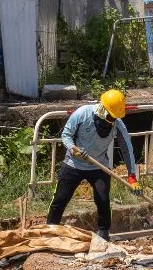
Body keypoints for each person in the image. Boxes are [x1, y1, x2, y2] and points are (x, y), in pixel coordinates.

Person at [45, 89, 139, 240]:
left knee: (103, 200)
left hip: (98, 166)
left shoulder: (117, 124)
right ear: (102, 108)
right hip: (73, 164)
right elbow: (66, 135)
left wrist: (132, 176)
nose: (112, 120)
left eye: (115, 117)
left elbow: (127, 148)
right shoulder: (82, 114)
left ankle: (103, 233)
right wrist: (73, 149)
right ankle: (49, 229)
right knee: (60, 199)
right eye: (110, 116)